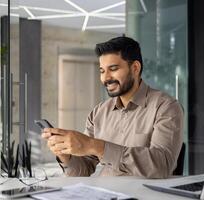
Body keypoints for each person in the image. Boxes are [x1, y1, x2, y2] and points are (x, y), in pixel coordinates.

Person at [42, 36, 183, 178]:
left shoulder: (166, 107)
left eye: (113, 69)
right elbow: (83, 170)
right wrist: (64, 155)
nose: (106, 78)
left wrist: (97, 146)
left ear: (135, 68)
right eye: (102, 71)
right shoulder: (98, 112)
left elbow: (162, 166)